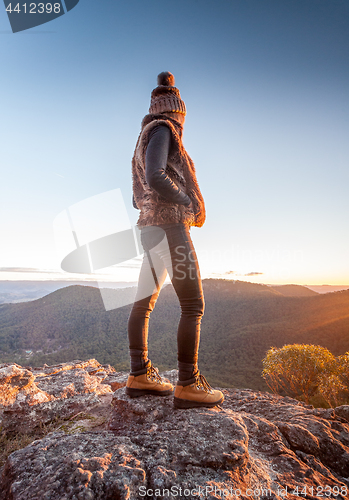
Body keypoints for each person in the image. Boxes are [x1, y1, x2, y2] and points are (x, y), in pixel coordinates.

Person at [126, 71, 224, 409]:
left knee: (144, 302)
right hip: (170, 227)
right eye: (182, 115)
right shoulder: (164, 130)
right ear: (176, 112)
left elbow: (138, 188)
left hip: (150, 227)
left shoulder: (143, 136)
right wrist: (186, 200)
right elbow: (155, 176)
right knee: (193, 304)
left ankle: (139, 374)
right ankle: (188, 383)